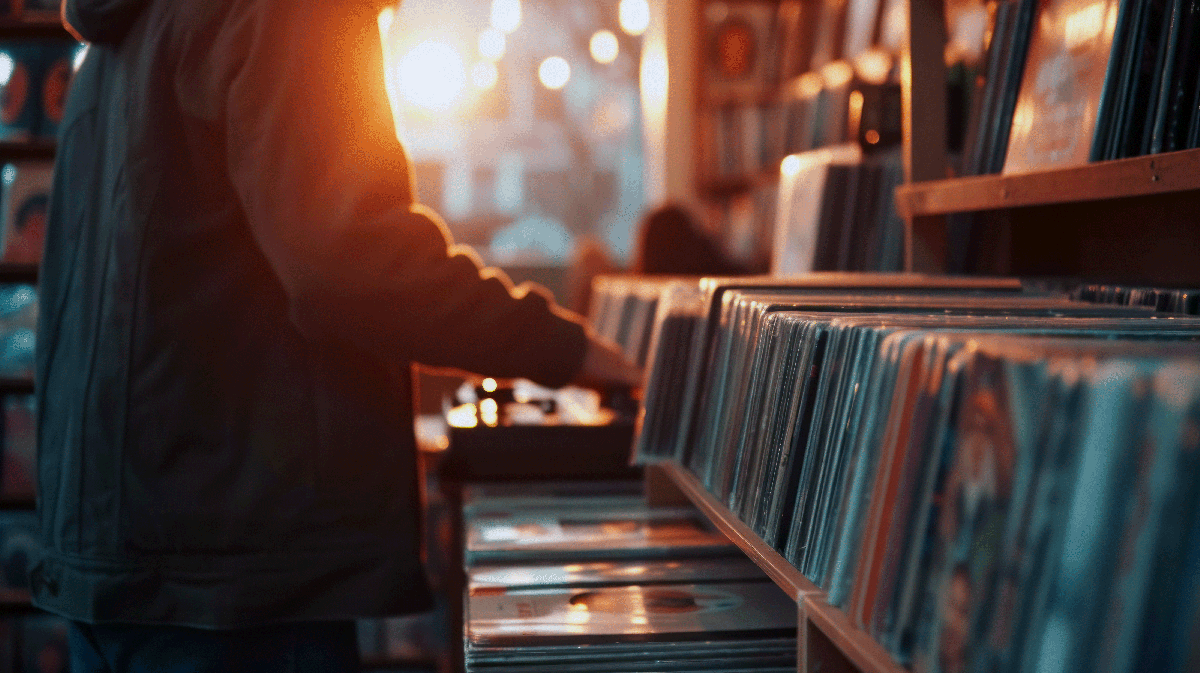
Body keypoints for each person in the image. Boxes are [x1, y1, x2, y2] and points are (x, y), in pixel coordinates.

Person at [34, 1, 641, 671]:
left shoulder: (129, 27)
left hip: (122, 553)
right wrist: (570, 351)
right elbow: (347, 260)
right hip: (235, 565)